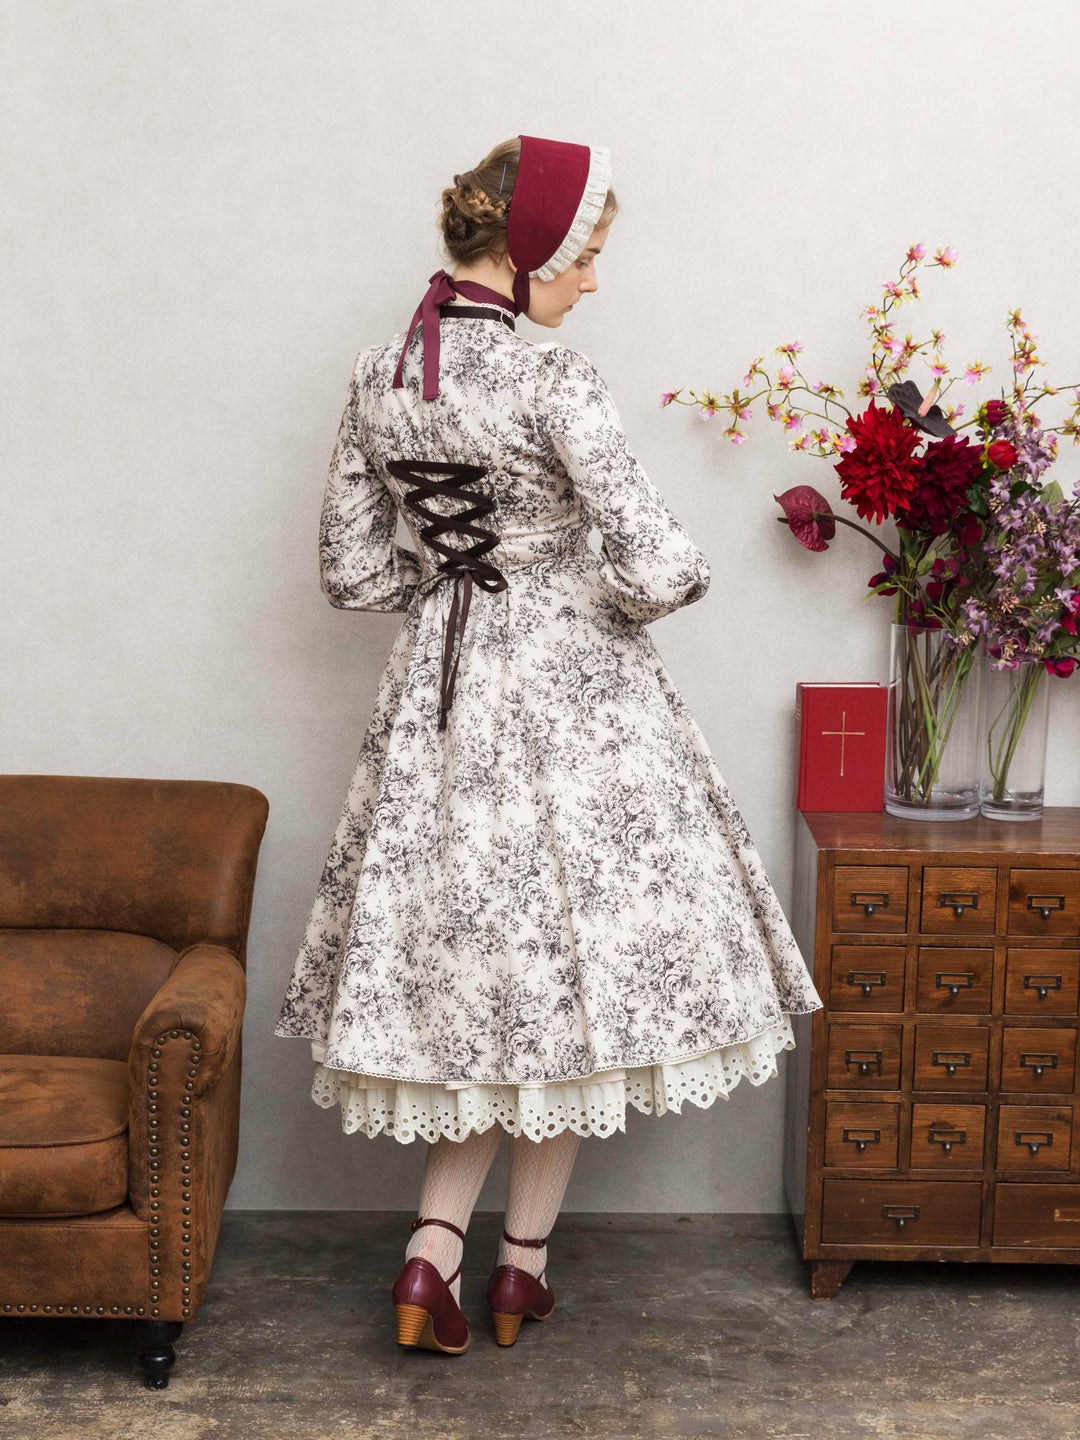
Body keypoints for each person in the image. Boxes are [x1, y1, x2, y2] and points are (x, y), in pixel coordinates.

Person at [275, 133, 824, 1354]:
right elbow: (664, 563)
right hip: (578, 703)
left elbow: (352, 572)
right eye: (587, 256)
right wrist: (582, 593)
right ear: (534, 251)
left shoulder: (380, 373)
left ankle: (438, 1258)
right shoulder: (554, 377)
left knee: (490, 981)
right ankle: (517, 1268)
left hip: (441, 699)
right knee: (575, 988)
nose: (593, 281)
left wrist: (453, 588)